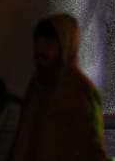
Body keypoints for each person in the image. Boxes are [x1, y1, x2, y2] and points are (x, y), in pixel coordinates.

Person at [7, 13, 107, 161]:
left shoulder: (81, 91)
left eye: (49, 43)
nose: (40, 49)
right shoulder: (36, 85)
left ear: (65, 45)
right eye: (38, 41)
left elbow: (93, 151)